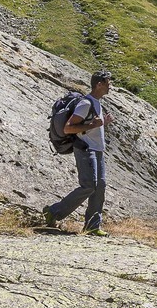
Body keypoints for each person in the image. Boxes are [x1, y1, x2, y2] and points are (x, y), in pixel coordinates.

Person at [41, 71, 114, 235]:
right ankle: (53, 211)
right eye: (108, 82)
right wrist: (94, 125)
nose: (111, 86)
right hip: (85, 149)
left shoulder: (97, 103)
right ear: (99, 84)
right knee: (89, 185)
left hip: (97, 150)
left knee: (100, 187)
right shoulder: (85, 103)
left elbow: (92, 127)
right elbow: (69, 128)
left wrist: (103, 124)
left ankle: (93, 226)